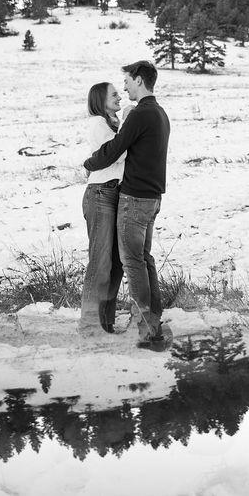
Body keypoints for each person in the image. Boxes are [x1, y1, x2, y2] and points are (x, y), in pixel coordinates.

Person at [83, 60, 170, 348]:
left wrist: (89, 163)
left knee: (132, 262)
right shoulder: (159, 113)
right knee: (143, 259)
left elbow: (114, 151)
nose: (125, 88)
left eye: (128, 82)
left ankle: (144, 326)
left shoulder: (138, 114)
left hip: (134, 198)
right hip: (152, 197)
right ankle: (151, 318)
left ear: (139, 80)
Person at [79, 81, 127, 334]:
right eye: (114, 94)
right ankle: (90, 323)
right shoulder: (98, 123)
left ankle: (106, 322)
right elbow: (118, 153)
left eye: (119, 92)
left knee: (117, 262)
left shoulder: (116, 125)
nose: (120, 96)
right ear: (100, 100)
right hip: (100, 193)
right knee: (100, 261)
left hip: (117, 193)